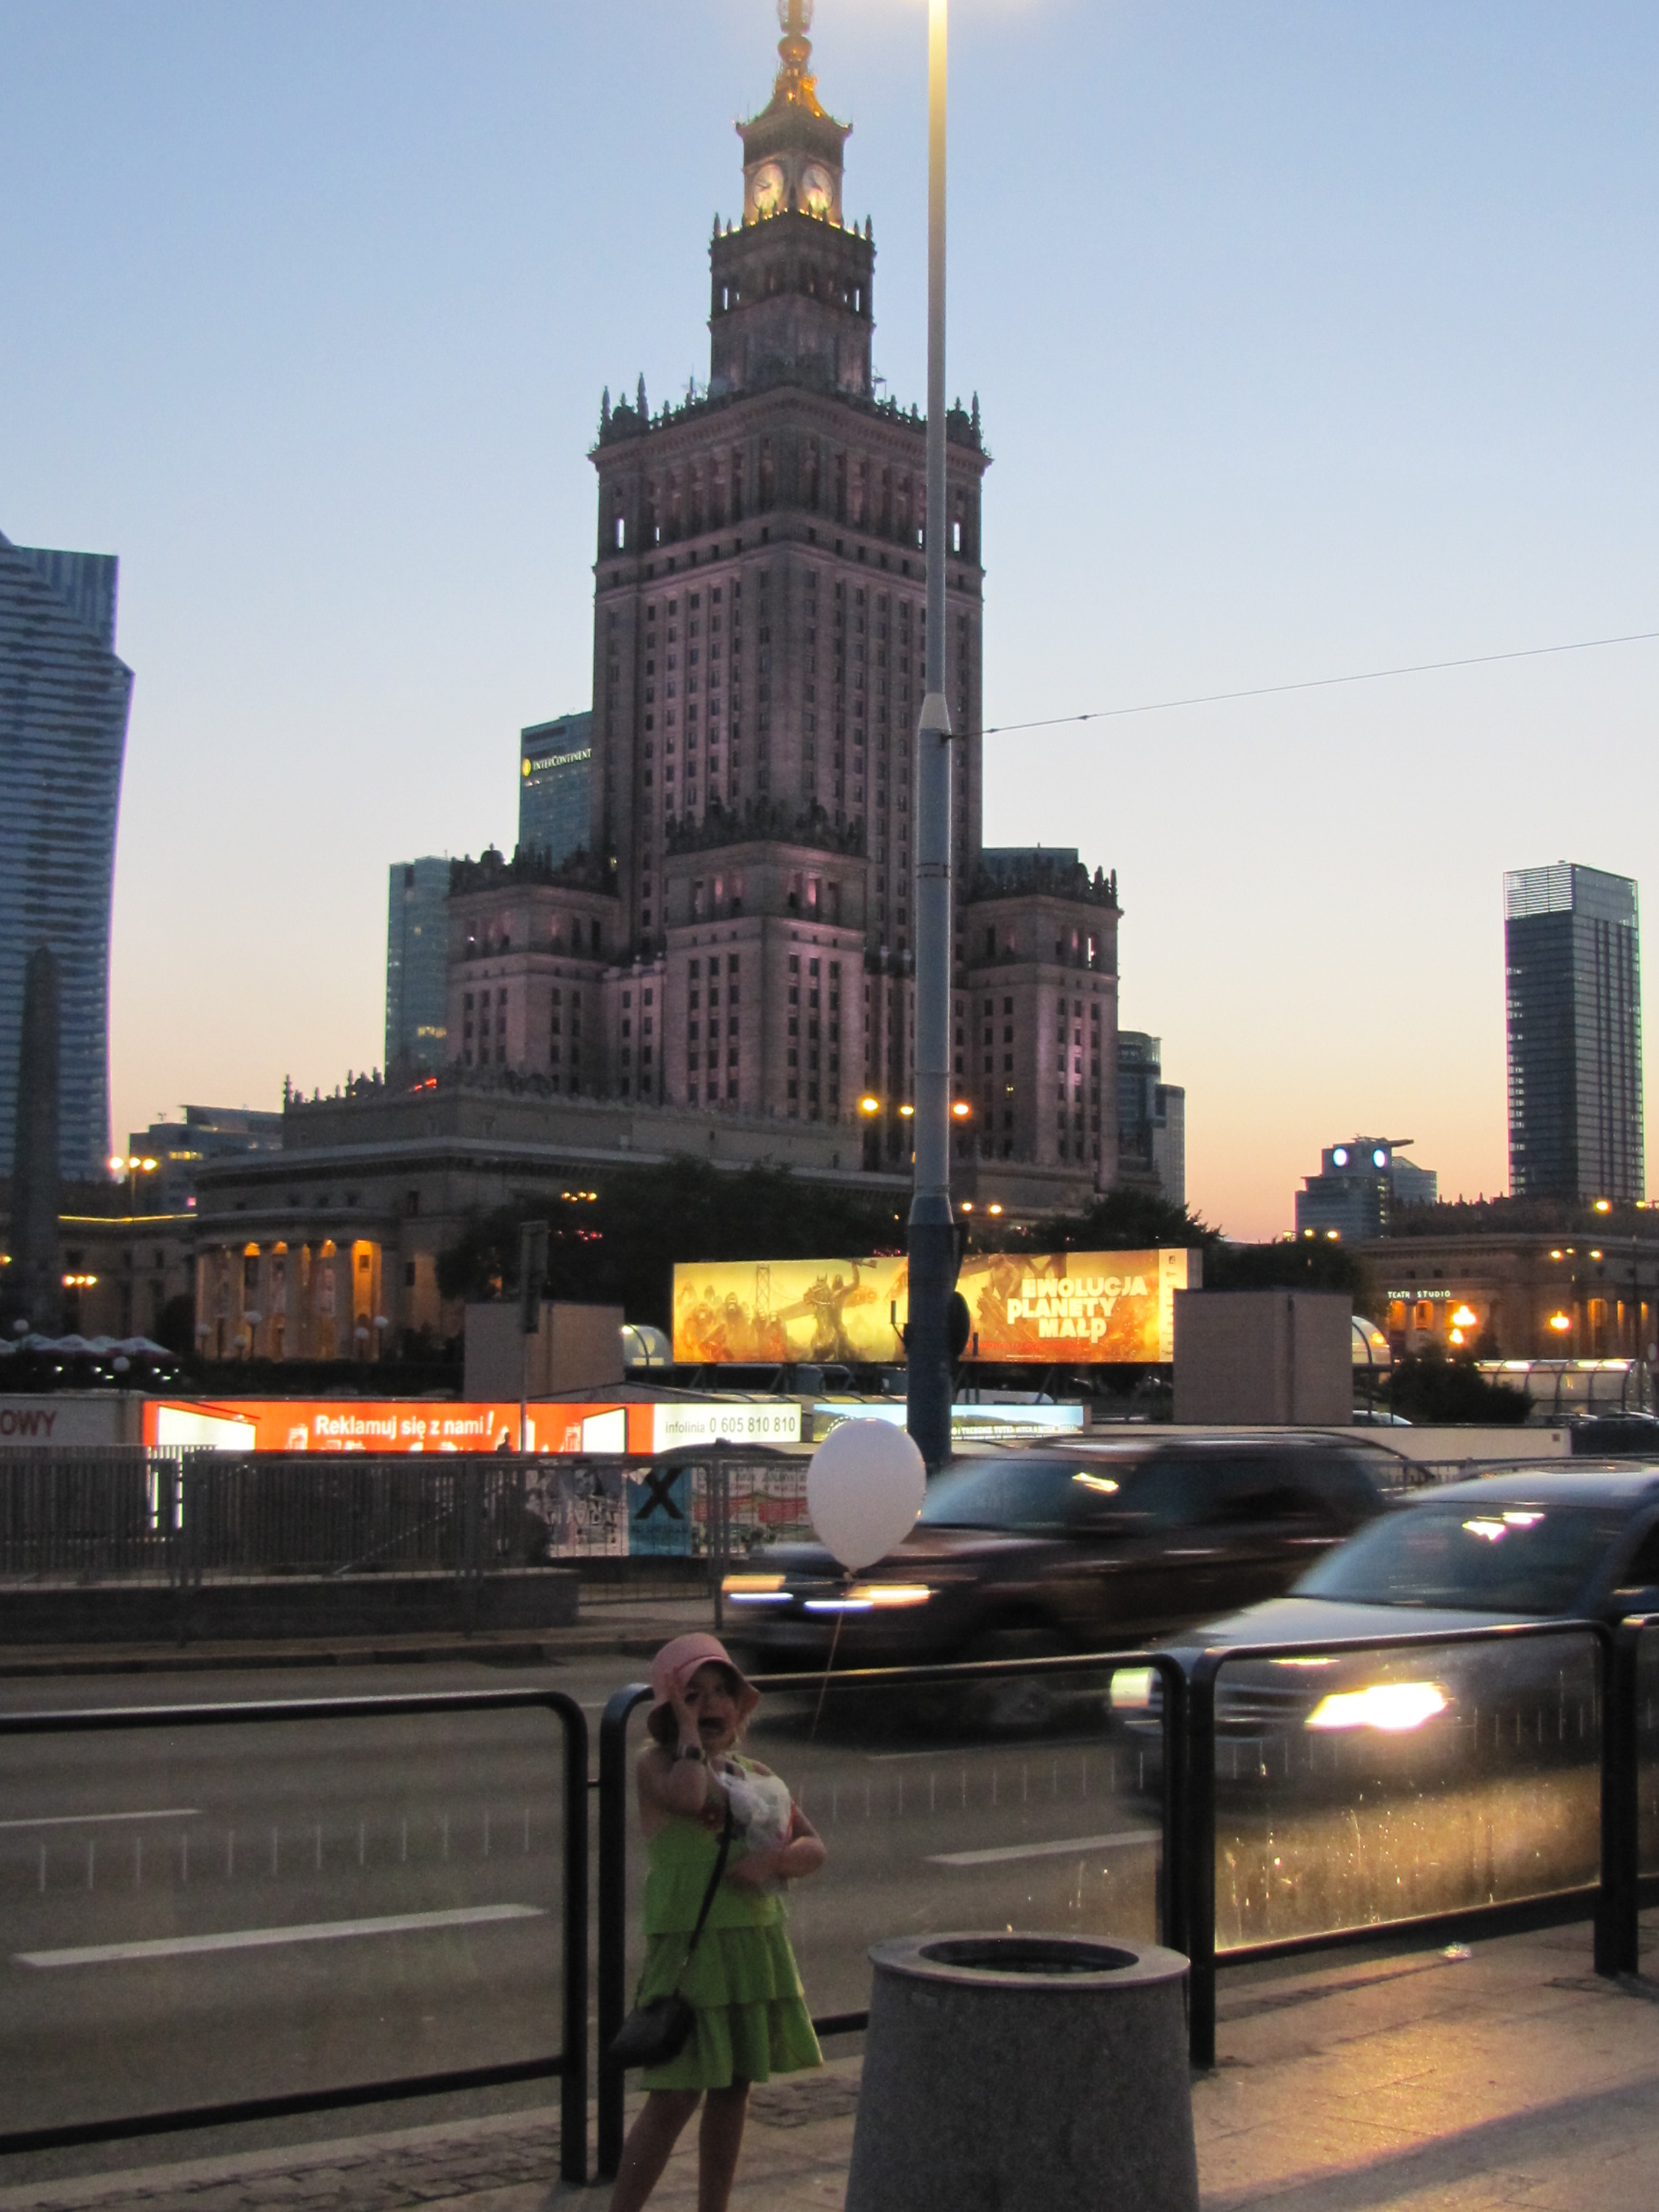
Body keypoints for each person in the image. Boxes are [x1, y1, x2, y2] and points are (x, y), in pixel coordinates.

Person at [607, 1633, 825, 2212]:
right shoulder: (656, 1763)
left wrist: (774, 1861)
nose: (710, 1707)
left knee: (733, 2088)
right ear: (668, 1710)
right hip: (691, 1948)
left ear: (739, 1705)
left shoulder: (758, 1772)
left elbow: (814, 1847)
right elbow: (687, 1797)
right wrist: (685, 1733)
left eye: (720, 1694)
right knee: (675, 2096)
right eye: (693, 1695)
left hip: (752, 1942)